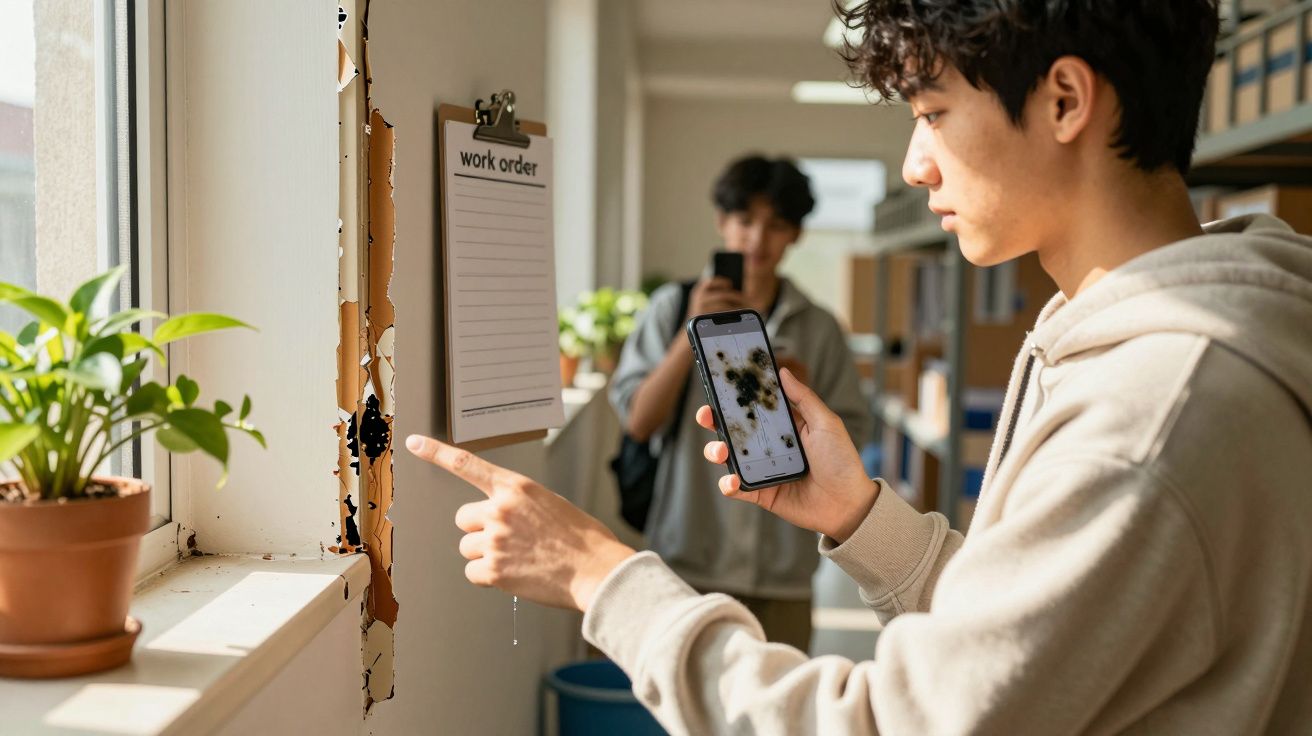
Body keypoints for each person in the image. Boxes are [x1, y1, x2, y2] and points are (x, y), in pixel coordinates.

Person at [405, 0, 1312, 732]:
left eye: (933, 114)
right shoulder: (1113, 344)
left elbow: (896, 724)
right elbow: (1034, 647)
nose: (915, 165)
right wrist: (858, 515)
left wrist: (599, 576)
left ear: (1066, 100)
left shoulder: (1150, 414)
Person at [607, 154, 873, 651]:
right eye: (745, 220)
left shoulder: (817, 328)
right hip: (686, 557)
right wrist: (689, 334)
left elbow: (852, 439)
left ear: (796, 234)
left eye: (776, 225)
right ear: (721, 222)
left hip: (782, 569)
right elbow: (638, 422)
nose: (757, 239)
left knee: (781, 698)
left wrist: (802, 401)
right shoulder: (670, 307)